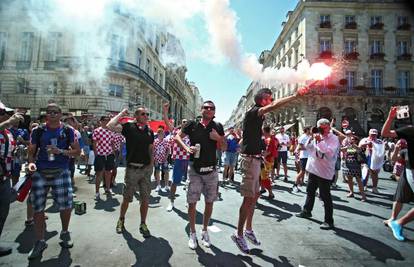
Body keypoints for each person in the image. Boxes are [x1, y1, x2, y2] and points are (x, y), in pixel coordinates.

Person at [232, 88, 304, 254]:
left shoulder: (256, 117)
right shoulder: (254, 111)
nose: (271, 101)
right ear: (262, 100)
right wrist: (294, 96)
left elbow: (247, 137)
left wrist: (259, 152)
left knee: (255, 196)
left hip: (255, 158)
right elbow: (270, 108)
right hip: (250, 160)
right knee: (248, 198)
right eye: (269, 99)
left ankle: (248, 230)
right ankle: (238, 234)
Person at [27, 103, 80, 260]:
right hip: (41, 172)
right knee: (38, 208)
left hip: (60, 172)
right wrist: (31, 163)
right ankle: (40, 241)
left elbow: (77, 151)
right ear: (46, 115)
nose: (52, 114)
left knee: (66, 205)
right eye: (49, 112)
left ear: (60, 114)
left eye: (55, 112)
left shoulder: (68, 131)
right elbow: (31, 152)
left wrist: (61, 151)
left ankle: (64, 232)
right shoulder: (38, 131)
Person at [175, 100, 225, 250]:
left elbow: (224, 147)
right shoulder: (192, 124)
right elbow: (177, 137)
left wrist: (219, 138)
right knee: (192, 202)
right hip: (195, 170)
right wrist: (186, 147)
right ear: (201, 109)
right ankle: (192, 233)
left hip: (211, 170)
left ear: (214, 112)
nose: (209, 110)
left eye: (212, 108)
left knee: (209, 202)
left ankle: (204, 231)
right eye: (206, 107)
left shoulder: (218, 126)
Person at [107, 107, 154, 238]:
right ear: (136, 116)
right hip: (132, 169)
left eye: (147, 114)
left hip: (145, 170)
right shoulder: (129, 127)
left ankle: (143, 223)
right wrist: (121, 114)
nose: (146, 116)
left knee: (145, 198)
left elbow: (151, 148)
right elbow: (110, 125)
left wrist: (151, 164)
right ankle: (121, 220)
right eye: (143, 114)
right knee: (127, 198)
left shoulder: (150, 131)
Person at [296, 119, 340, 230]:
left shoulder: (333, 139)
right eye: (319, 127)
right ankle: (306, 211)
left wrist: (320, 141)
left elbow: (328, 152)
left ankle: (329, 221)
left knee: (325, 196)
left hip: (325, 172)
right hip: (314, 169)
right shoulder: (316, 136)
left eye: (323, 127)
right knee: (310, 191)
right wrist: (311, 138)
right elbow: (308, 147)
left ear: (328, 127)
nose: (321, 130)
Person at [381, 106, 414, 241]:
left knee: (400, 195)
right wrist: (390, 117)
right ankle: (398, 222)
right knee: (400, 194)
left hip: (409, 169)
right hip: (412, 169)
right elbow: (385, 133)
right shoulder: (410, 129)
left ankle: (394, 219)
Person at [0, 103, 21, 257]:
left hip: (5, 177)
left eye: (7, 113)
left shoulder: (8, 132)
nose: (6, 115)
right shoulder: (6, 127)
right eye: (3, 113)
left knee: (3, 211)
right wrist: (8, 122)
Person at [162, 103, 190, 212]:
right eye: (183, 122)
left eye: (186, 122)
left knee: (190, 182)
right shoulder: (175, 132)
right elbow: (166, 121)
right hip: (178, 160)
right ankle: (171, 201)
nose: (185, 124)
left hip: (188, 160)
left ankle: (189, 201)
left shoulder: (192, 135)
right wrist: (165, 110)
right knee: (174, 182)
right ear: (180, 124)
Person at [92, 116, 116, 199]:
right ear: (101, 121)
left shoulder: (111, 131)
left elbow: (112, 143)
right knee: (99, 173)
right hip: (100, 154)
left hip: (109, 154)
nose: (106, 122)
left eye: (108, 120)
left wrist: (113, 153)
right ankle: (97, 192)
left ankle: (108, 189)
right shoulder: (97, 131)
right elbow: (94, 143)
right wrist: (96, 154)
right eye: (105, 120)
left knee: (108, 172)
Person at [341, 134, 367, 201]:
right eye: (351, 139)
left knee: (358, 180)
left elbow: (358, 150)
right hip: (348, 165)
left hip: (356, 166)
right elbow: (341, 149)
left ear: (356, 141)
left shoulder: (358, 147)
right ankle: (351, 192)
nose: (351, 140)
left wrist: (353, 145)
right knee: (349, 179)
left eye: (353, 139)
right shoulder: (348, 147)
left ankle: (363, 195)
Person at [359, 128, 385, 193]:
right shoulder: (365, 140)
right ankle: (364, 186)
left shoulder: (379, 141)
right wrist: (367, 144)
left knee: (374, 173)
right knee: (365, 172)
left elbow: (383, 148)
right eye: (372, 134)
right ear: (369, 134)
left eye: (375, 134)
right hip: (366, 157)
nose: (373, 136)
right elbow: (359, 146)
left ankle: (374, 188)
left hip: (375, 159)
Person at [260, 125, 277, 199]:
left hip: (267, 161)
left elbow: (268, 152)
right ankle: (262, 189)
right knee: (262, 176)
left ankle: (271, 193)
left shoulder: (270, 139)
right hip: (267, 160)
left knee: (265, 177)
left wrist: (262, 155)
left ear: (264, 131)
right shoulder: (267, 138)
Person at [292, 127, 311, 193]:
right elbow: (300, 147)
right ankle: (295, 185)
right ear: (307, 130)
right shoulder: (303, 137)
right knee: (302, 172)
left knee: (310, 172)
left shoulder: (310, 136)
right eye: (310, 129)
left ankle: (311, 189)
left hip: (310, 157)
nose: (311, 131)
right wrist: (309, 148)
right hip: (304, 157)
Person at [153, 126, 171, 192]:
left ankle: (166, 186)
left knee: (166, 171)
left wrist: (166, 158)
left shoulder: (166, 141)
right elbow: (153, 151)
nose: (163, 134)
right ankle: (158, 185)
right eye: (161, 133)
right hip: (157, 159)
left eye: (163, 133)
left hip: (164, 159)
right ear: (158, 134)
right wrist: (154, 159)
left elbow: (168, 150)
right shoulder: (155, 141)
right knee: (157, 172)